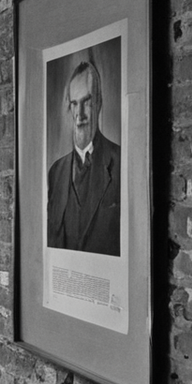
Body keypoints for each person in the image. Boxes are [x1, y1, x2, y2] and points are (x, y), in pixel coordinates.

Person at [46, 61, 120, 256]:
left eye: (86, 102)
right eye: (74, 104)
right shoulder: (55, 172)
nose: (80, 115)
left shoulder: (121, 163)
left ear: (99, 102)